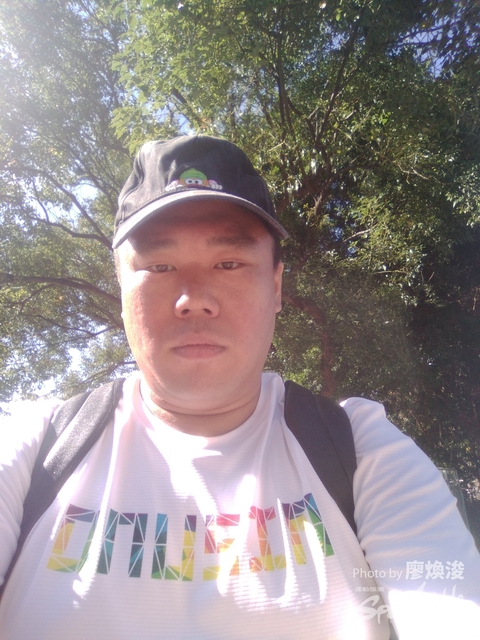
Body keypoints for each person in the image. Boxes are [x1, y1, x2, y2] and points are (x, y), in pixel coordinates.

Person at [0, 135, 479, 640]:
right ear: (122, 290)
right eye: (159, 266)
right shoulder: (37, 446)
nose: (193, 300)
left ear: (275, 286)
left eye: (229, 263)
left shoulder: (359, 446)